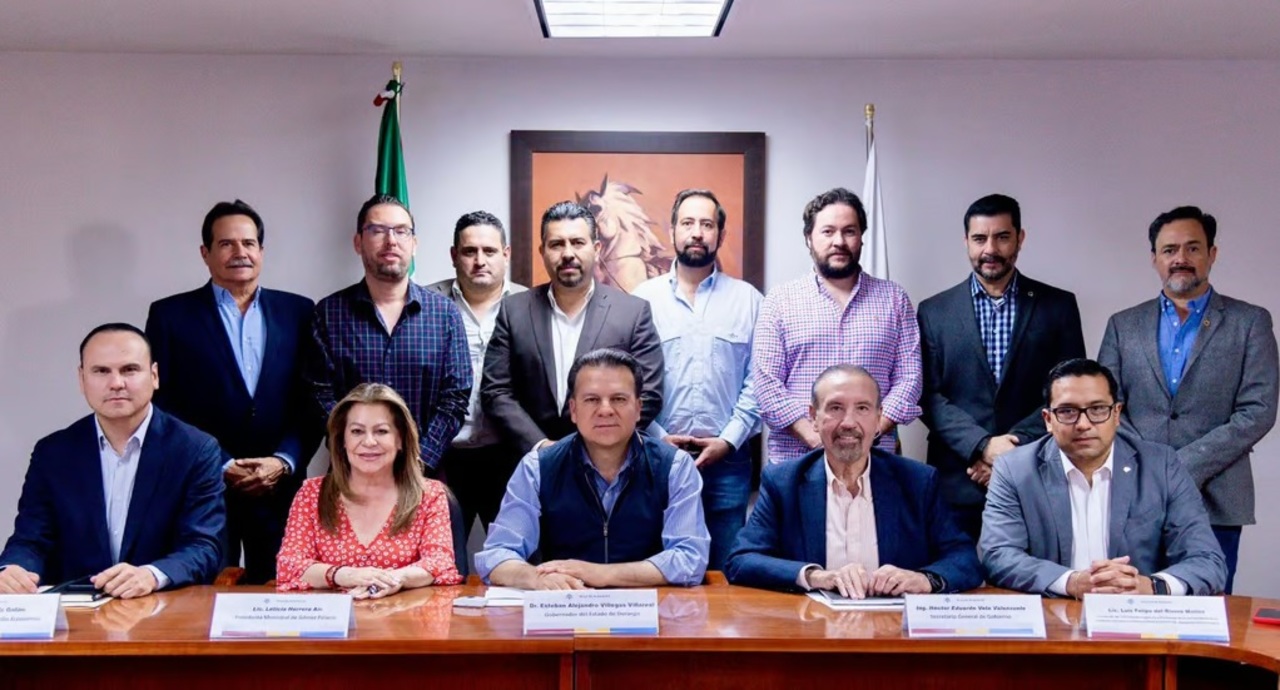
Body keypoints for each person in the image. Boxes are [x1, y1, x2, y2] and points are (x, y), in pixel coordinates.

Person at [1098, 206, 1277, 594]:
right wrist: (1150, 466)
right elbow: (1106, 406)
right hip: (1136, 494)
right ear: (1154, 258)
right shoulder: (1123, 325)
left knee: (1207, 608)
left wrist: (1181, 466)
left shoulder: (1250, 321)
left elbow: (1259, 409)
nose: (1181, 258)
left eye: (1193, 248)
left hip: (1216, 497)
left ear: (1212, 254)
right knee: (1128, 605)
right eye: (1169, 250)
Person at [146, 199, 321, 584]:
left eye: (249, 243)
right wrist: (221, 463)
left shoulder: (298, 311)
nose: (240, 252)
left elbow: (312, 400)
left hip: (280, 488)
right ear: (205, 253)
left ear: (261, 250)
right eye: (226, 244)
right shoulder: (170, 316)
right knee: (201, 595)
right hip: (203, 485)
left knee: (282, 597)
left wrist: (283, 461)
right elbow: (162, 403)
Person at [0, 324, 226, 598]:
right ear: (82, 379)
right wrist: (13, 570)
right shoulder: (54, 452)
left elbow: (203, 546)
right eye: (101, 371)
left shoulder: (195, 450)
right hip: (75, 612)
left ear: (154, 376)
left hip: (160, 607)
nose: (116, 383)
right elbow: (31, 539)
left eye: (129, 370)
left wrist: (151, 575)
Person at [725, 365, 981, 596]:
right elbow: (741, 560)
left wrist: (924, 580)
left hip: (893, 627)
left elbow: (964, 558)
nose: (849, 422)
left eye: (862, 408)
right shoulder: (783, 483)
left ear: (878, 417)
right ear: (813, 417)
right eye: (835, 408)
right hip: (813, 625)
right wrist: (817, 577)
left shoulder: (917, 481)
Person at [979, 359, 1227, 597]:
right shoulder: (1014, 469)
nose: (1083, 424)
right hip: (1054, 613)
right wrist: (1072, 582)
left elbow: (1207, 560)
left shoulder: (1161, 466)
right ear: (1048, 420)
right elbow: (999, 555)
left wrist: (1148, 586)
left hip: (1136, 613)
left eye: (1097, 409)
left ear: (1117, 414)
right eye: (1067, 411)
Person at [917, 194, 1085, 540]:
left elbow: (1070, 392)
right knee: (954, 572)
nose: (990, 249)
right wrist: (981, 445)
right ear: (966, 241)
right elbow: (928, 396)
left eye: (1002, 237)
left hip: (1036, 475)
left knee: (1034, 572)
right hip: (958, 477)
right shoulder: (934, 311)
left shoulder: (1059, 306)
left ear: (1020, 238)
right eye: (979, 238)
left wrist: (1012, 448)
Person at [475, 349, 709, 589]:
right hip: (565, 601)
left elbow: (689, 558)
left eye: (619, 399)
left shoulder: (674, 466)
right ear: (574, 410)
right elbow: (496, 556)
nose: (605, 410)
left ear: (639, 408)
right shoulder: (538, 467)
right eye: (592, 400)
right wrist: (535, 577)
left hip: (654, 604)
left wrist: (600, 574)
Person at [632, 189, 762, 571]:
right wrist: (657, 436)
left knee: (725, 573)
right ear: (672, 230)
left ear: (721, 234)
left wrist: (728, 440)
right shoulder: (642, 300)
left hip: (727, 462)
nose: (697, 232)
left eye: (707, 224)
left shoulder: (749, 300)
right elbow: (629, 382)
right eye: (687, 223)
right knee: (656, 571)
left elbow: (759, 381)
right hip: (655, 457)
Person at [754, 187, 921, 464]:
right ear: (809, 238)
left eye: (849, 231)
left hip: (875, 461)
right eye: (828, 231)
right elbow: (766, 385)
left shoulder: (894, 299)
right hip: (797, 462)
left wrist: (869, 433)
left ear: (862, 237)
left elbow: (910, 379)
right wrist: (815, 438)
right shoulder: (780, 301)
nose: (839, 241)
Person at [481, 201, 664, 455]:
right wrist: (541, 447)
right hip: (530, 461)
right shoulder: (514, 311)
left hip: (608, 462)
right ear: (542, 251)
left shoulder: (633, 313)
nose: (568, 253)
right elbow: (496, 391)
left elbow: (649, 394)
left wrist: (591, 444)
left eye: (578, 242)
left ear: (596, 249)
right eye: (557, 244)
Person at [308, 194, 472, 474]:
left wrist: (419, 461)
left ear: (414, 243)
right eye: (377, 230)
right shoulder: (328, 313)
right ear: (358, 242)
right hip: (351, 475)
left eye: (401, 231)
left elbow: (455, 397)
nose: (391, 241)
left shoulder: (445, 314)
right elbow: (319, 394)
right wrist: (360, 452)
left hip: (423, 476)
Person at [276, 383, 463, 596]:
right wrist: (345, 575)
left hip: (405, 615)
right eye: (357, 431)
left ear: (400, 439)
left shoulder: (430, 495)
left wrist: (391, 580)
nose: (369, 442)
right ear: (342, 440)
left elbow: (439, 562)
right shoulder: (311, 494)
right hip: (334, 616)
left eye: (381, 431)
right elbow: (290, 564)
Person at [426, 211, 529, 541]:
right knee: (442, 555)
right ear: (454, 255)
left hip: (508, 455)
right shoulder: (426, 304)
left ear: (506, 254)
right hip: (442, 455)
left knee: (516, 555)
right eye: (470, 251)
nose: (480, 260)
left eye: (490, 251)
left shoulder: (530, 304)